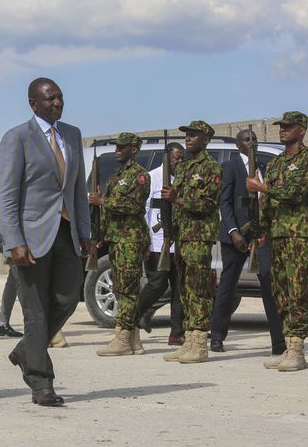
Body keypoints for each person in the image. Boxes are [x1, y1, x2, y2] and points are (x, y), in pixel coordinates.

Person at [0, 77, 91, 407]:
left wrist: (84, 231)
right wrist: (13, 241)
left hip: (66, 232)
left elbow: (77, 188)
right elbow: (6, 195)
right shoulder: (17, 138)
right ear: (33, 103)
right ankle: (40, 381)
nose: (58, 103)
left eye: (60, 97)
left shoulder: (72, 135)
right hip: (31, 238)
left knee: (68, 296)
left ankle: (26, 350)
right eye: (50, 99)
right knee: (34, 311)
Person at [247, 111, 308, 372]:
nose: (283, 130)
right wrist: (261, 227)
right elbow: (266, 202)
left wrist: (262, 188)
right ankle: (289, 345)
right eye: (281, 127)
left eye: (288, 127)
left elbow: (296, 192)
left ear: (301, 130)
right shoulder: (277, 163)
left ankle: (298, 350)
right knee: (280, 291)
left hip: (299, 234)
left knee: (297, 290)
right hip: (277, 234)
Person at [211, 129, 285, 356]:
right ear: (238, 144)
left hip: (260, 235)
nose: (251, 143)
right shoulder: (231, 167)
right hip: (237, 235)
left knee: (268, 279)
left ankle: (278, 342)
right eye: (246, 139)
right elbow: (225, 202)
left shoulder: (263, 167)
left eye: (254, 139)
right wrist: (234, 232)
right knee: (228, 285)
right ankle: (217, 336)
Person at [161, 121, 221, 364]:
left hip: (199, 235)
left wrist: (179, 199)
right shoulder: (184, 166)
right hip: (183, 235)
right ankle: (188, 340)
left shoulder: (211, 167)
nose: (188, 138)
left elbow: (208, 204)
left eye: (194, 135)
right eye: (186, 134)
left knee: (199, 290)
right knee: (184, 290)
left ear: (205, 139)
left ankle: (200, 344)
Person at [90, 132, 151, 356]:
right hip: (117, 238)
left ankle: (123, 337)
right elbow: (107, 211)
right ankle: (133, 339)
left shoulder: (139, 175)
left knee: (127, 289)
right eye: (116, 146)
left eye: (122, 146)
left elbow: (134, 205)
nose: (117, 149)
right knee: (120, 287)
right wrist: (100, 235)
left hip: (130, 239)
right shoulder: (116, 175)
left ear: (133, 149)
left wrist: (103, 201)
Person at [137, 141, 186, 346]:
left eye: (182, 158)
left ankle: (176, 332)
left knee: (179, 289)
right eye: (176, 158)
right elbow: (144, 211)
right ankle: (134, 315)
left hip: (179, 243)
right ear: (167, 157)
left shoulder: (183, 179)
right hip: (157, 243)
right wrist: (145, 242)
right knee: (157, 285)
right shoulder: (152, 178)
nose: (180, 162)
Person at [0, 193, 24, 338]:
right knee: (22, 281)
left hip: (23, 236)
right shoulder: (6, 175)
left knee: (13, 281)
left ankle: (2, 323)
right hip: (12, 237)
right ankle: (33, 325)